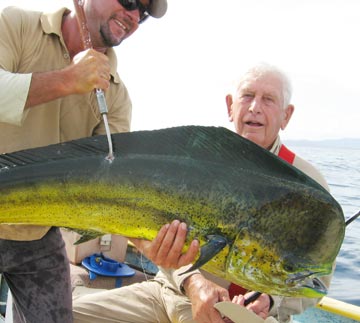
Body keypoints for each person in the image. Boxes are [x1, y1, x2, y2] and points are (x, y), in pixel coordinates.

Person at [72, 63, 333, 323]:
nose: (255, 107)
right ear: (230, 106)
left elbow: (317, 281)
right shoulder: (197, 164)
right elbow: (157, 236)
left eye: (268, 100)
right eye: (247, 96)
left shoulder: (309, 187)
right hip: (172, 292)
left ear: (286, 116)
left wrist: (272, 300)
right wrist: (193, 283)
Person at [0, 1, 199, 322]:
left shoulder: (116, 96)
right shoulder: (15, 24)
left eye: (143, 13)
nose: (134, 16)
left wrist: (157, 248)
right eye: (130, 1)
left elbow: (113, 190)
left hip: (37, 235)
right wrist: (67, 80)